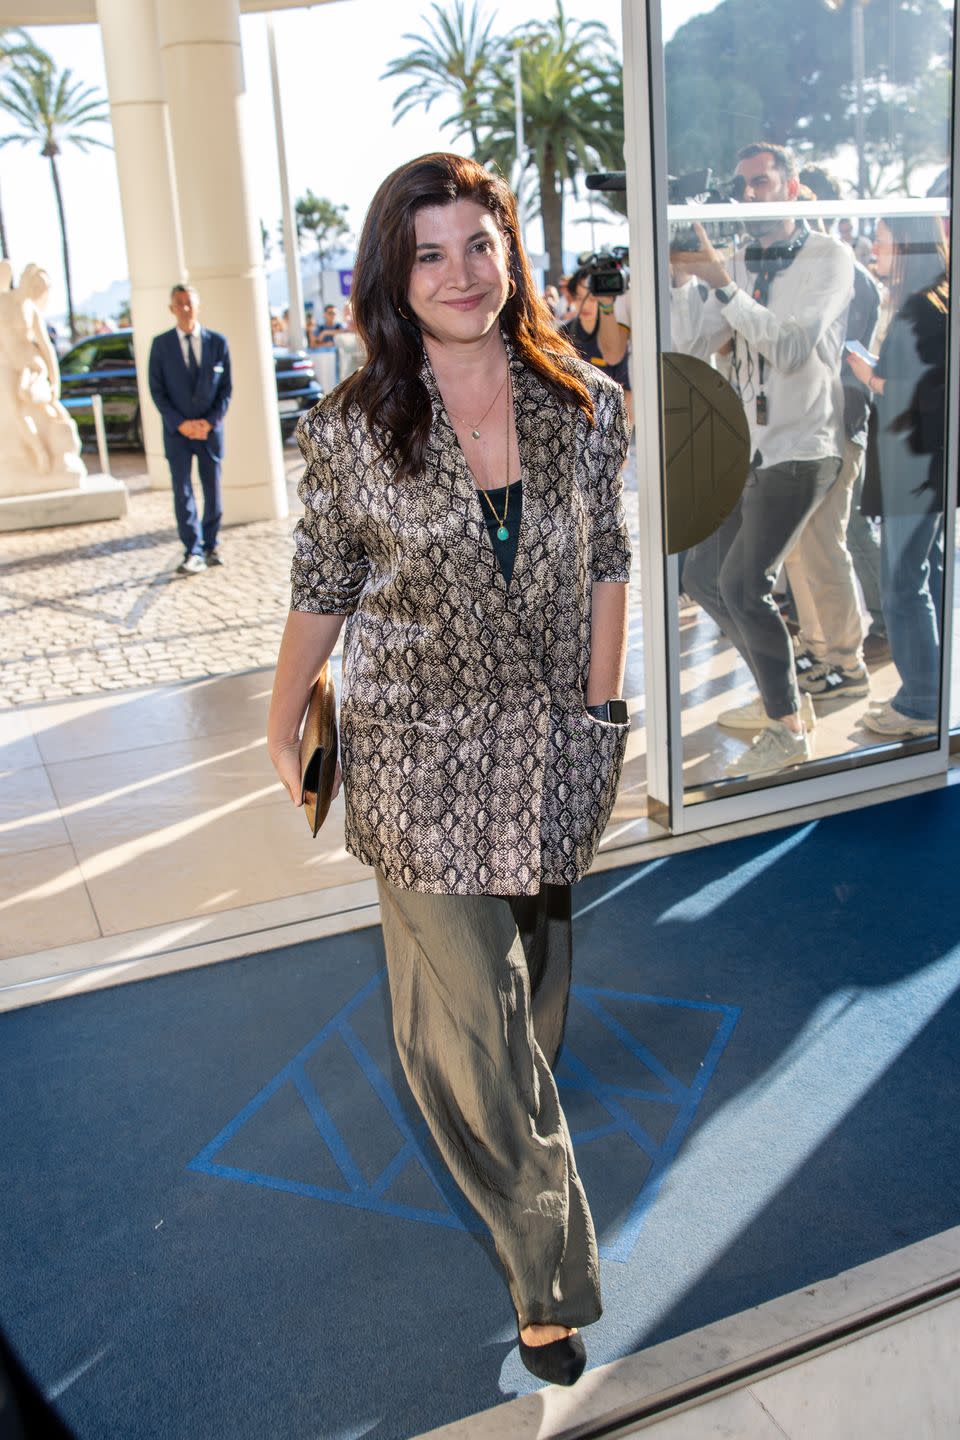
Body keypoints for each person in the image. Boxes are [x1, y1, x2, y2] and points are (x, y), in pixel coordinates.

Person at [267, 151, 631, 1386]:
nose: (463, 273)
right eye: (431, 253)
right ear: (394, 275)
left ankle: (518, 1139)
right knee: (470, 1034)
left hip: (546, 757)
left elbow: (607, 567)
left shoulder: (585, 404)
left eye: (481, 244)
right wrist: (282, 715)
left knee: (527, 1007)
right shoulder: (349, 433)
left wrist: (598, 715)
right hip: (416, 768)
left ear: (512, 252)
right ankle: (552, 1281)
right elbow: (322, 590)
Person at [670, 142, 854, 777]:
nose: (750, 195)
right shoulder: (742, 261)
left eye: (762, 183)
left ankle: (787, 727)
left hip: (802, 448)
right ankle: (782, 696)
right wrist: (682, 278)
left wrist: (723, 285)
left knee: (745, 586)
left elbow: (794, 347)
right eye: (743, 186)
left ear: (793, 186)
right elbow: (690, 344)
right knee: (701, 579)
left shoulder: (830, 256)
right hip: (744, 447)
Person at [847, 216, 949, 738]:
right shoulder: (938, 300)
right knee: (924, 576)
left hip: (914, 465)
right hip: (929, 467)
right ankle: (927, 693)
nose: (875, 252)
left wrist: (869, 374)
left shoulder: (918, 310)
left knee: (903, 585)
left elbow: (913, 392)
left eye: (883, 244)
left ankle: (919, 704)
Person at [148, 284, 232, 574]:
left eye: (189, 303)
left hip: (209, 432)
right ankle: (192, 550)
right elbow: (157, 390)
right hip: (177, 434)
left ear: (198, 306)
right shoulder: (161, 345)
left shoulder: (218, 343)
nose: (185, 308)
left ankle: (211, 545)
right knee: (182, 491)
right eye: (179, 303)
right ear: (171, 308)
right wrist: (182, 424)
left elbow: (226, 390)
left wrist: (208, 423)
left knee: (213, 490)